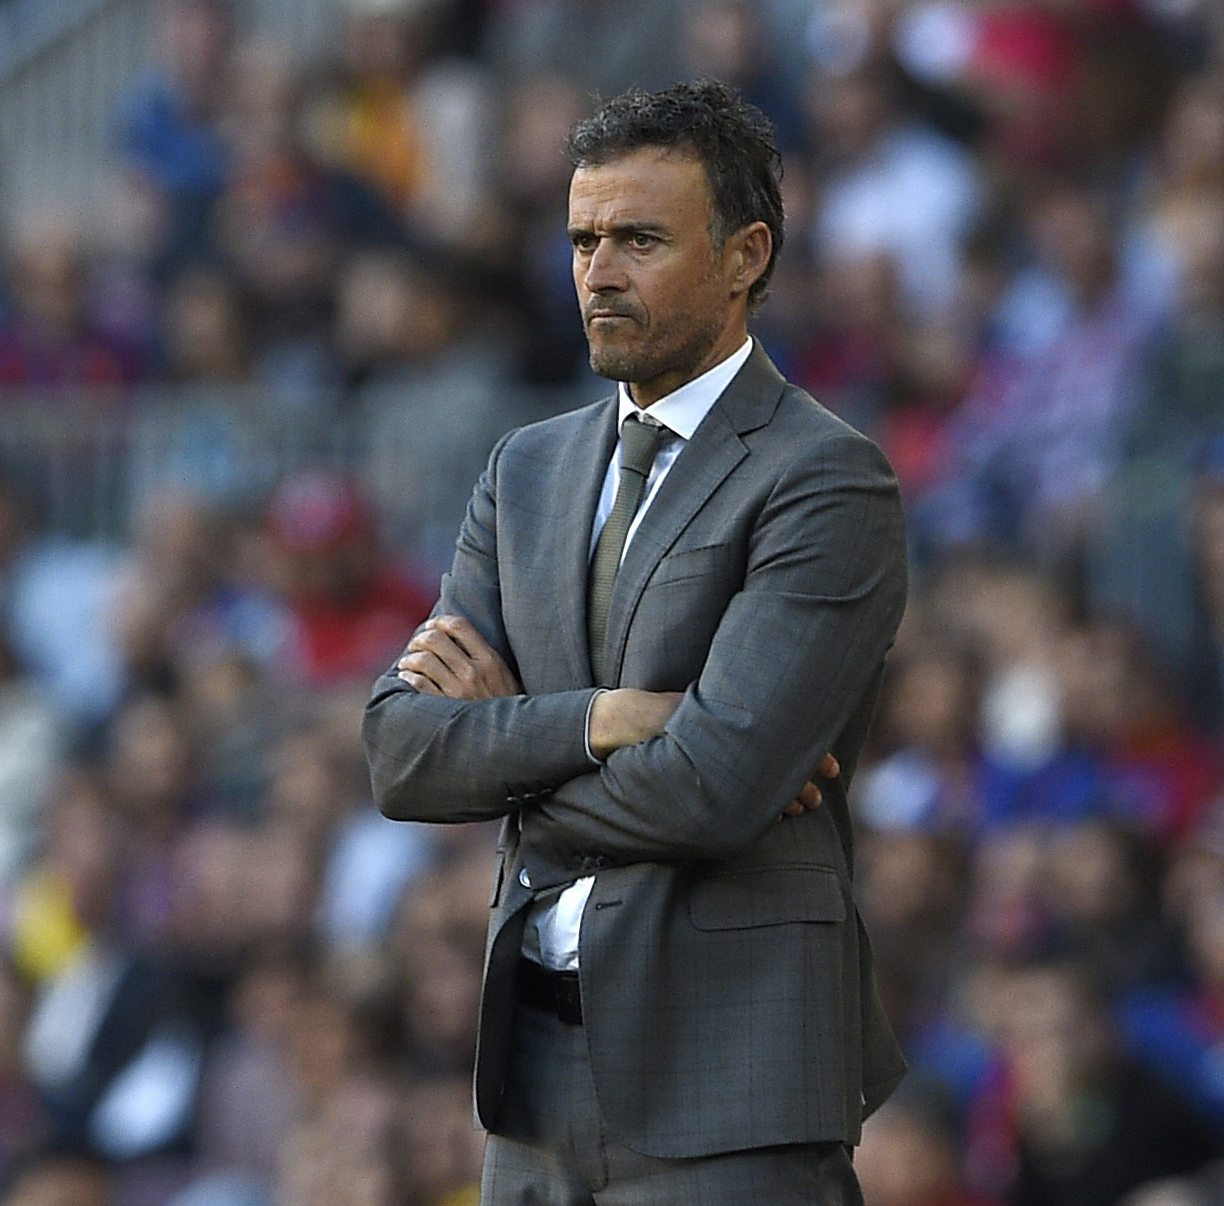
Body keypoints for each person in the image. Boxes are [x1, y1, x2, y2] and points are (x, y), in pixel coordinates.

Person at [361, 80, 908, 1202]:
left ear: (745, 254)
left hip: (732, 1079)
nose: (597, 273)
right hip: (529, 1086)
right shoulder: (524, 469)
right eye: (580, 240)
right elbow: (399, 752)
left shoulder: (823, 476)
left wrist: (507, 762)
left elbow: (712, 785)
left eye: (638, 240)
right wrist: (602, 722)